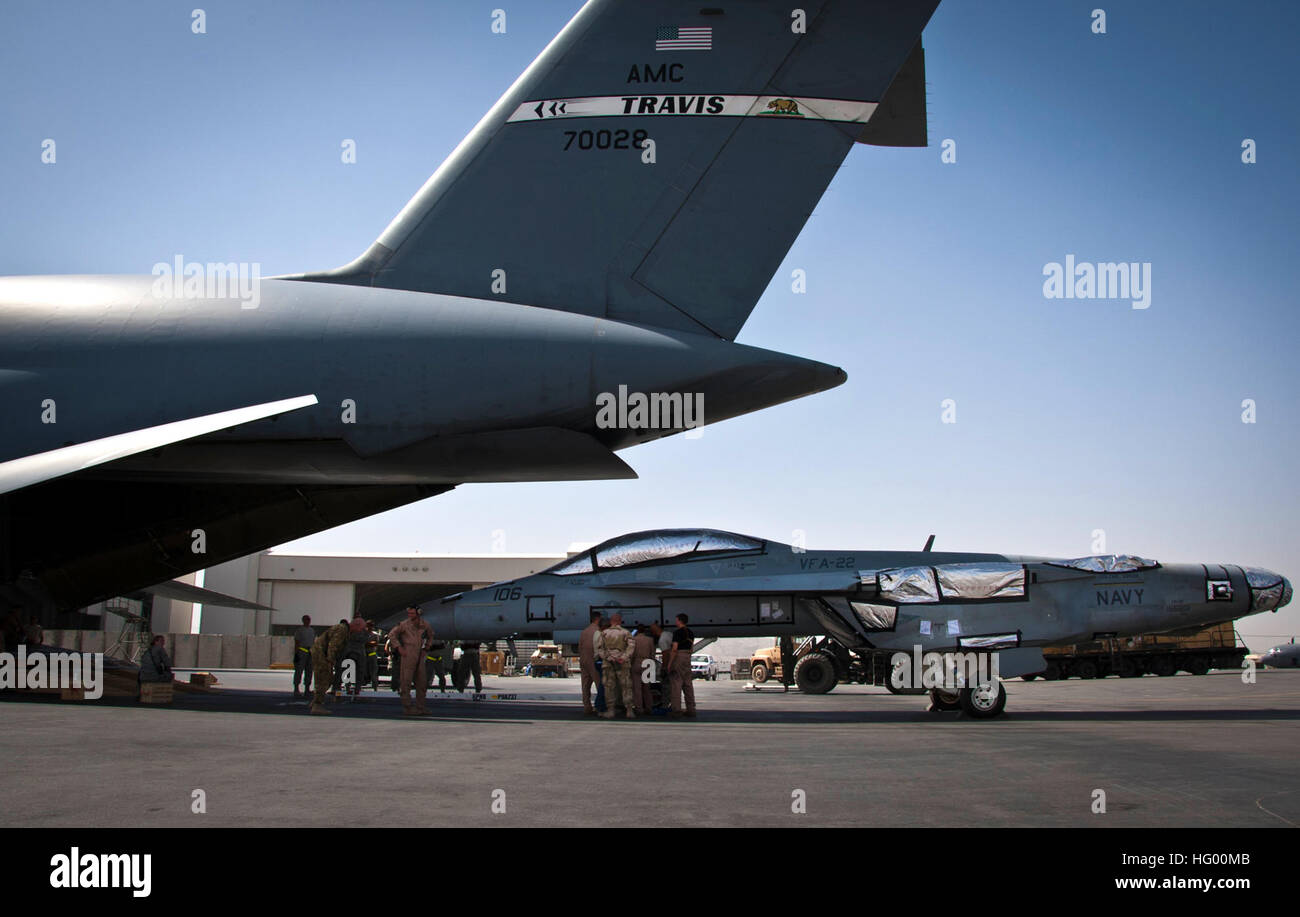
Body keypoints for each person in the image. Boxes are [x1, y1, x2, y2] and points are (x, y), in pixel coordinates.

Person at [310, 617, 364, 715]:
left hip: (321, 653)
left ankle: (315, 701)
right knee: (324, 678)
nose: (361, 631)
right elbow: (333, 645)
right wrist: (331, 660)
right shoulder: (342, 630)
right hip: (322, 654)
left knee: (326, 678)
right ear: (356, 625)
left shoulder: (345, 630)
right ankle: (317, 705)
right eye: (361, 628)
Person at [388, 606, 434, 715]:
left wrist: (426, 648)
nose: (410, 616)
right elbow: (392, 634)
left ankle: (421, 706)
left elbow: (431, 635)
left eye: (412, 614)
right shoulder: (404, 624)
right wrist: (399, 647)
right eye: (409, 614)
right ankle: (407, 707)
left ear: (418, 614)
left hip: (419, 653)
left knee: (422, 682)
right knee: (406, 681)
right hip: (408, 653)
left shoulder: (424, 624)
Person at [594, 613, 636, 719]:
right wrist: (623, 657)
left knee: (609, 687)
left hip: (609, 664)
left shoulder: (604, 633)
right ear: (620, 621)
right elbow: (631, 647)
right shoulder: (626, 633)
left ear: (611, 622)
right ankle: (629, 710)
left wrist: (609, 658)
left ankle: (611, 710)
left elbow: (600, 649)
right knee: (626, 686)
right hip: (623, 664)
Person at [664, 613, 697, 718]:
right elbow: (691, 648)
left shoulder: (677, 633)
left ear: (679, 621)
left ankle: (676, 710)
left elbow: (674, 648)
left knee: (676, 684)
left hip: (679, 656)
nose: (675, 621)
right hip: (687, 657)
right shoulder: (690, 633)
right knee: (688, 684)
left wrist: (669, 664)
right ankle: (691, 709)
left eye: (676, 620)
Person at [578, 610, 601, 716]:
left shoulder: (584, 631)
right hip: (593, 660)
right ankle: (600, 707)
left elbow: (579, 647)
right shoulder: (598, 632)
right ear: (598, 619)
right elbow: (599, 647)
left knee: (585, 685)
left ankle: (587, 707)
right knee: (599, 684)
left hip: (583, 660)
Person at [631, 624, 656, 715]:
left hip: (637, 662)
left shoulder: (634, 640)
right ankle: (649, 707)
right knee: (647, 688)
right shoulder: (650, 640)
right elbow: (652, 654)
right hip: (647, 663)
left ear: (637, 631)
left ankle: (639, 708)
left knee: (637, 688)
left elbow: (631, 654)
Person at [292, 615, 315, 697]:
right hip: (302, 650)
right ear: (303, 620)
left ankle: (307, 689)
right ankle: (296, 689)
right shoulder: (300, 630)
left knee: (309, 671)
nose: (308, 621)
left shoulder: (311, 630)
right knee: (299, 670)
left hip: (310, 651)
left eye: (309, 619)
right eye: (306, 619)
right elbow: (297, 642)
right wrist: (296, 653)